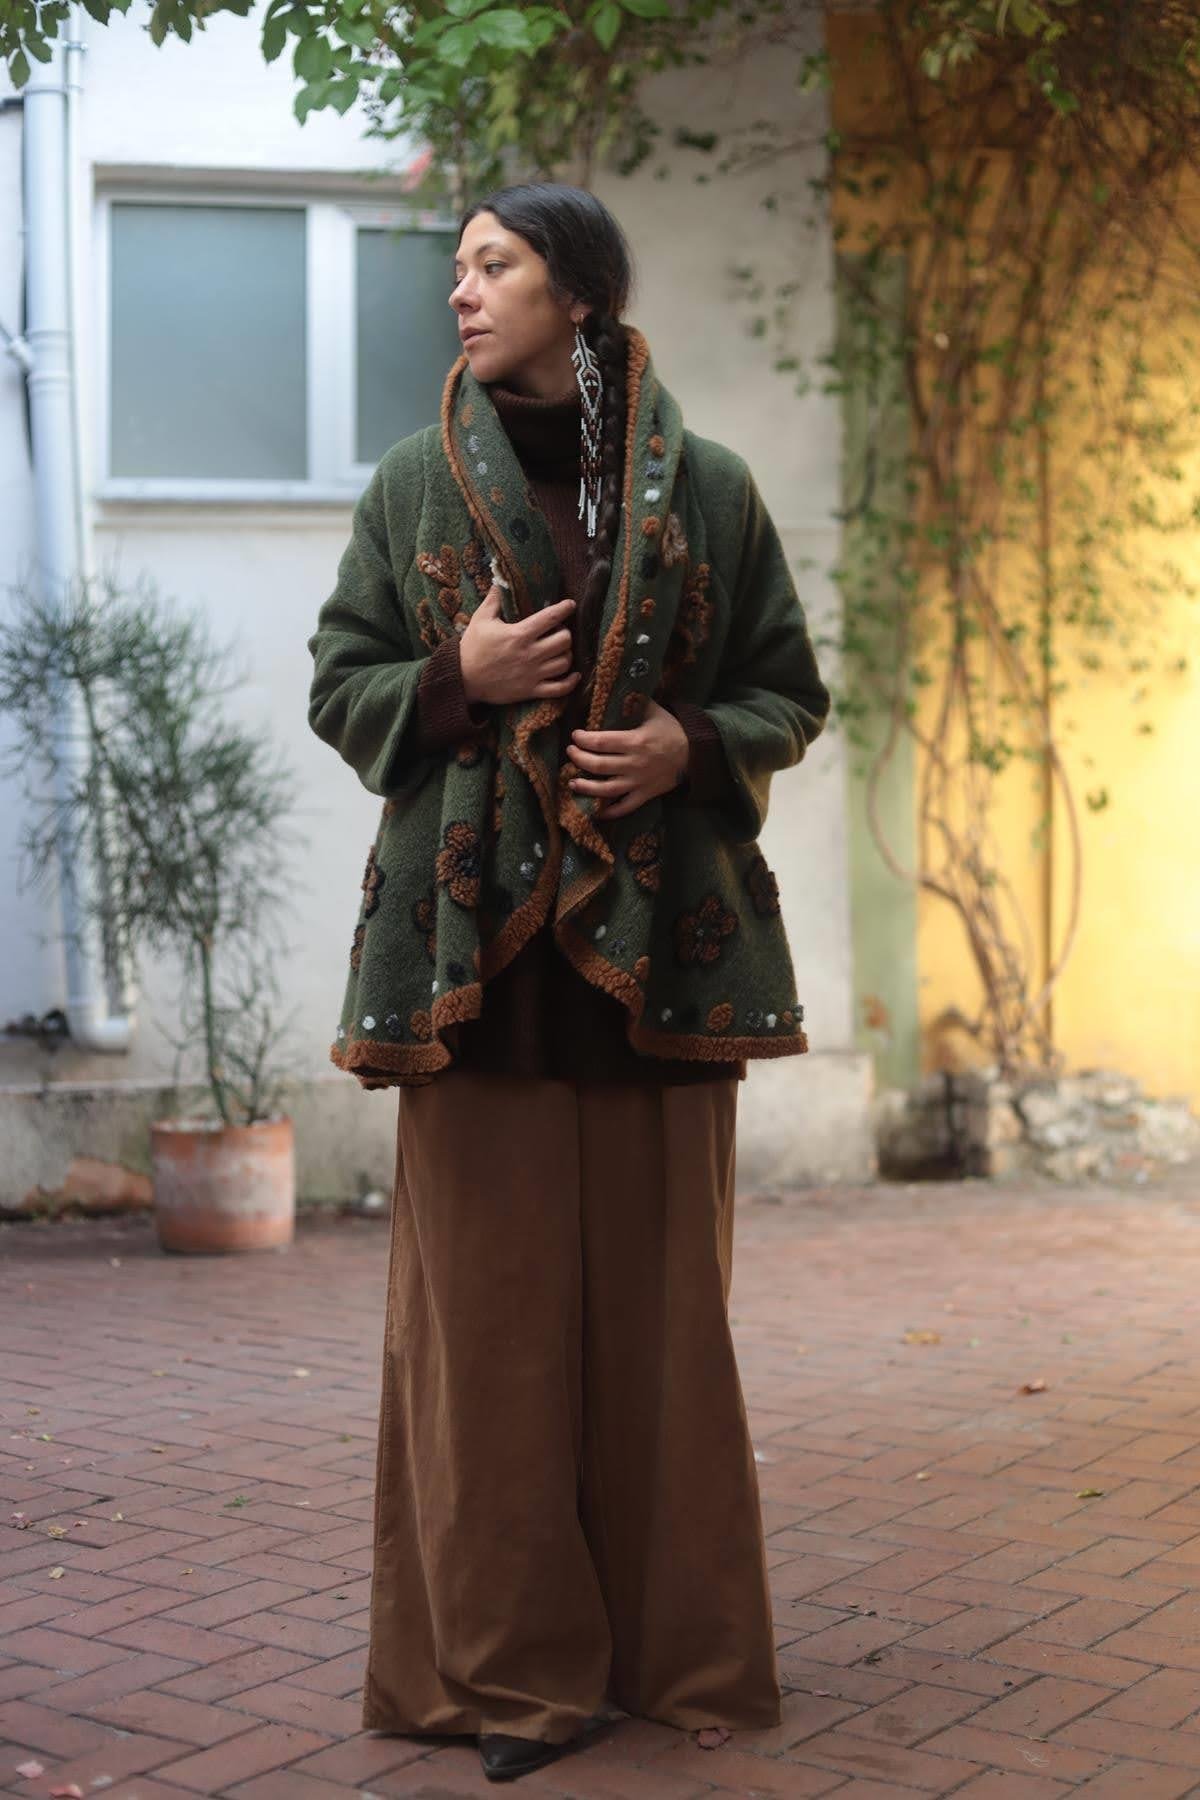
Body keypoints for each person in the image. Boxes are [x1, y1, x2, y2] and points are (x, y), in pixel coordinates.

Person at [306, 182, 831, 1786]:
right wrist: (454, 679)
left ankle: (682, 1657)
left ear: (579, 295)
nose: (461, 292)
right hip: (471, 976)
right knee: (488, 1345)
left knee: (669, 1338)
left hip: (659, 964)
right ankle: (512, 1678)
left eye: (496, 264)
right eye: (460, 267)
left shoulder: (707, 487)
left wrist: (692, 744)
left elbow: (788, 690)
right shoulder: (413, 485)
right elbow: (340, 685)